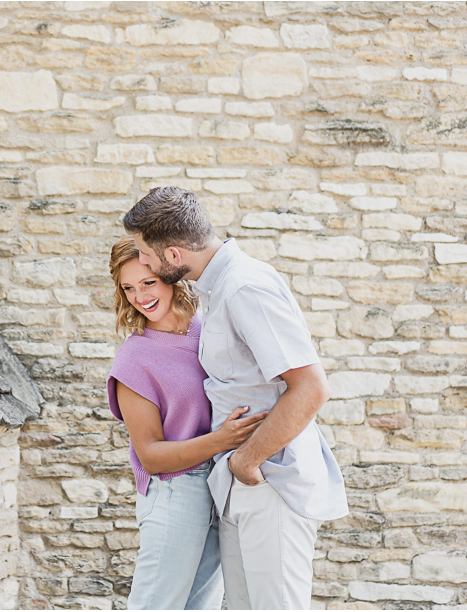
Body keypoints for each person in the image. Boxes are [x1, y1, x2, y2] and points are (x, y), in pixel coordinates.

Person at [123, 187, 349, 610]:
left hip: (269, 479)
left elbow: (311, 386)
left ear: (172, 255)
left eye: (146, 254)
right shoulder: (218, 290)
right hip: (236, 484)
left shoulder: (244, 287)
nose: (144, 262)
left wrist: (246, 461)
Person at [106, 237, 268, 610]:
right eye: (128, 288)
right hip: (174, 492)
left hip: (218, 487)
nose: (139, 296)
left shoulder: (206, 328)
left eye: (148, 283)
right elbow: (151, 456)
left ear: (169, 276)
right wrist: (221, 440)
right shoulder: (135, 358)